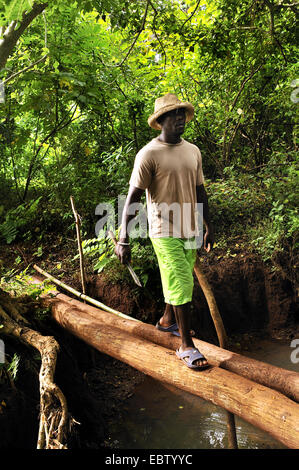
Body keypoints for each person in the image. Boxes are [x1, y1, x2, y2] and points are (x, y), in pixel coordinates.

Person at [115, 93, 214, 370]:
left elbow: (200, 192)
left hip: (190, 228)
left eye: (182, 114)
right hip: (164, 230)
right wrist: (124, 237)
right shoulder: (148, 154)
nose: (180, 118)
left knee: (177, 278)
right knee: (182, 283)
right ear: (161, 121)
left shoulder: (193, 150)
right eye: (173, 115)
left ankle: (167, 321)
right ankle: (185, 346)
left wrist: (208, 226)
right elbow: (133, 197)